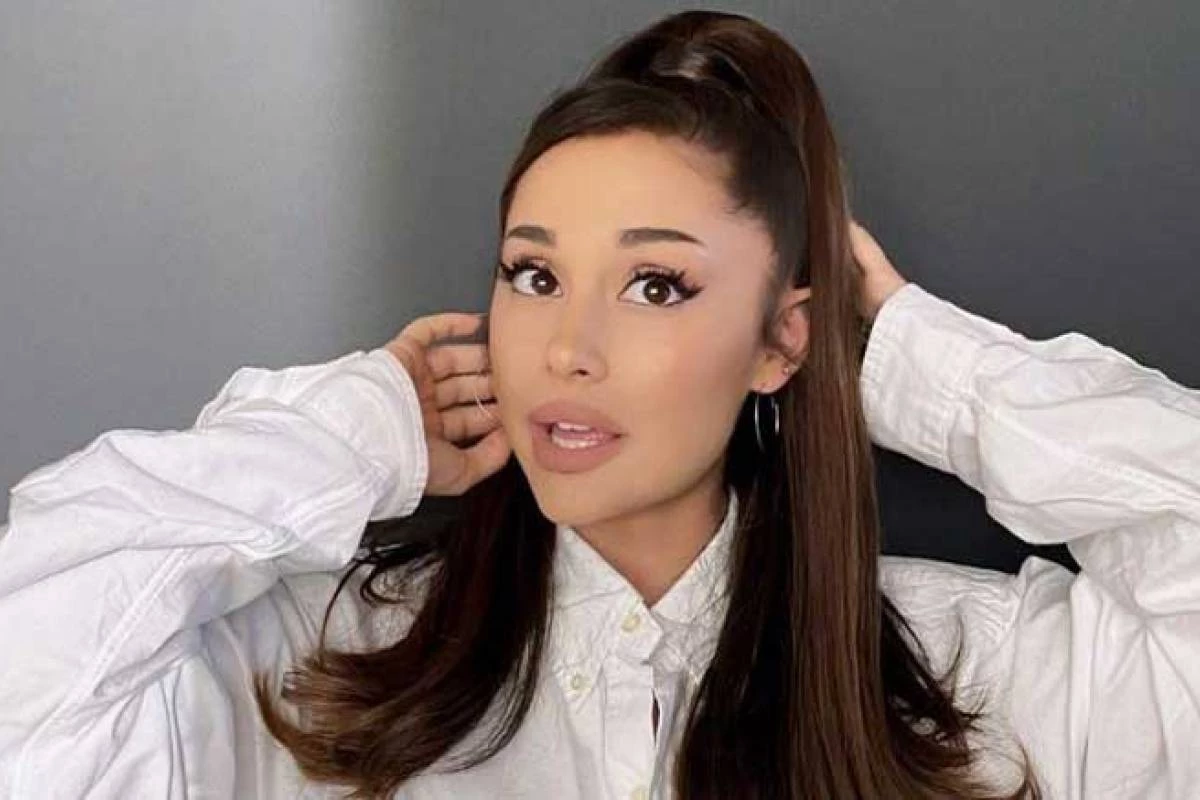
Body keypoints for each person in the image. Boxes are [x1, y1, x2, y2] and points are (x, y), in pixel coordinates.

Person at [1, 9, 1197, 800]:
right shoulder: (330, 670)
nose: (565, 348)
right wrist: (353, 430)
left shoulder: (976, 683)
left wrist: (916, 360)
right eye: (534, 274)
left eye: (655, 283)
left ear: (782, 337)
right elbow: (31, 655)